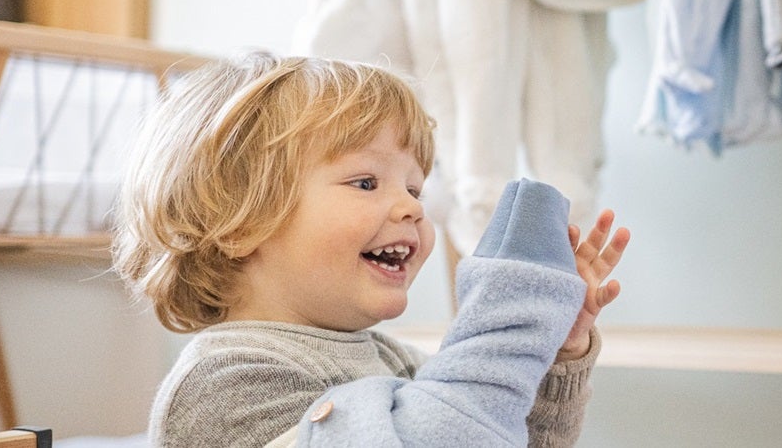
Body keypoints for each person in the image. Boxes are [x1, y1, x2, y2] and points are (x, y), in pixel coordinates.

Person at [112, 52, 630, 447]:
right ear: (240, 223)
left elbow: (493, 433)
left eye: (415, 189)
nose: (412, 209)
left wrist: (550, 349)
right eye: (365, 183)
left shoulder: (394, 358)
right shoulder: (226, 386)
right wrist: (506, 317)